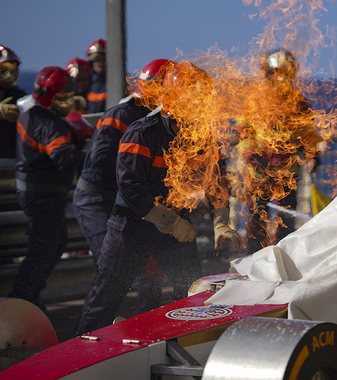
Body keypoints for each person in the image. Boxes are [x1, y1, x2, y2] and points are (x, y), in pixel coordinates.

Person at [76, 61, 241, 335]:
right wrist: (170, 222)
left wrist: (221, 223)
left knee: (190, 291)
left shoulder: (203, 136)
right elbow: (129, 185)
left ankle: (184, 345)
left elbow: (217, 182)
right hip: (133, 226)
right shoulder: (142, 132)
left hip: (175, 227)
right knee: (107, 294)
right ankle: (79, 353)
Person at [72, 58, 175, 314]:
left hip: (132, 201)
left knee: (149, 268)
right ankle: (92, 334)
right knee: (112, 269)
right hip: (97, 199)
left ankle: (145, 322)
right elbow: (103, 158)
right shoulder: (122, 114)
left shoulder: (163, 118)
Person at [9, 66, 86, 310]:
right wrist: (93, 160)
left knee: (52, 244)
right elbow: (63, 157)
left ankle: (27, 297)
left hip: (40, 192)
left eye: (69, 97)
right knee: (45, 247)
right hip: (41, 194)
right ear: (47, 97)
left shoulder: (32, 114)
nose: (68, 102)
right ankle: (22, 300)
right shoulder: (46, 123)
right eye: (62, 98)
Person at [237, 48, 321, 253]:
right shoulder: (255, 99)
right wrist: (251, 156)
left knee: (286, 221)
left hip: (288, 174)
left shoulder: (298, 102)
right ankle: (254, 260)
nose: (281, 78)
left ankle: (285, 260)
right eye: (277, 73)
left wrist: (313, 156)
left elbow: (308, 133)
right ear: (268, 74)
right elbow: (244, 132)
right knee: (257, 220)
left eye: (286, 73)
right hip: (259, 172)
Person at [85, 39, 107, 113]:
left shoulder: (122, 82)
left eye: (103, 59)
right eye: (95, 60)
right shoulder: (89, 84)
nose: (99, 64)